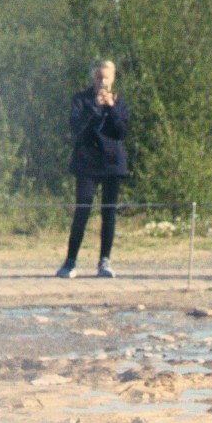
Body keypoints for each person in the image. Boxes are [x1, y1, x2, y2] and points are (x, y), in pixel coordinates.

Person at [59, 58, 130, 279]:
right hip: (87, 163)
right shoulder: (80, 100)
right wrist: (95, 108)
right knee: (82, 210)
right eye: (99, 77)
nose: (102, 81)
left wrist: (111, 109)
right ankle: (70, 262)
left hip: (112, 164)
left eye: (106, 77)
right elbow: (77, 128)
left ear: (113, 78)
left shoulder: (120, 103)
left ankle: (104, 261)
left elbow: (121, 132)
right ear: (93, 77)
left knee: (108, 213)